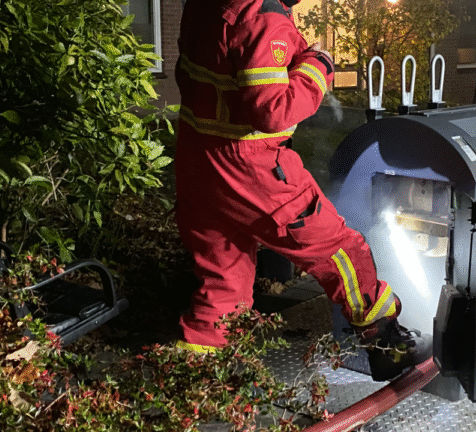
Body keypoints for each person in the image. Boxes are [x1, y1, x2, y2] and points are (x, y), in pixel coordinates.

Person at [173, 0, 430, 381]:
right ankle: (384, 342)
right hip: (252, 168)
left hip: (198, 162)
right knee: (340, 249)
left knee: (221, 281)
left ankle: (194, 382)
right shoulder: (264, 15)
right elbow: (272, 109)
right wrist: (318, 66)